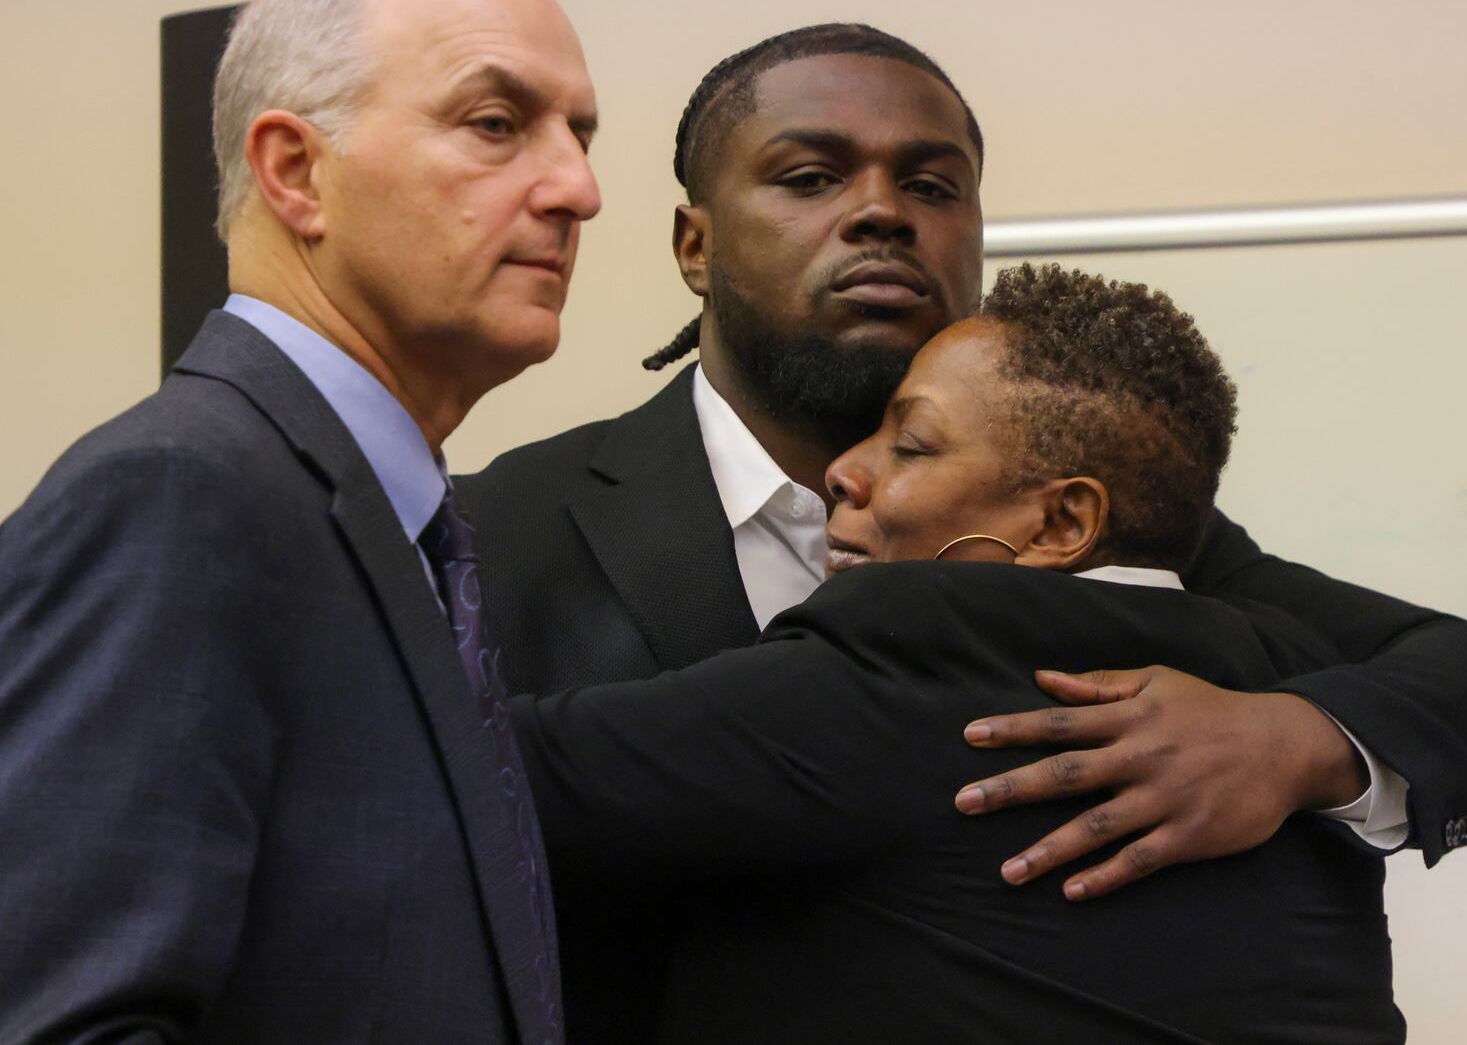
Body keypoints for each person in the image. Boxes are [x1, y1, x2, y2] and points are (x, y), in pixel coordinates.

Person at [458, 23, 1467, 1039]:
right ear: (695, 247)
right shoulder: (485, 527)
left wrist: (1292, 743)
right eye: (811, 175)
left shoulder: (1115, 542)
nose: (884, 210)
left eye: (934, 186)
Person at [513, 264, 1408, 1043]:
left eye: (911, 443)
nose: (844, 471)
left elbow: (496, 767)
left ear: (1062, 522)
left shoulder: (915, 658)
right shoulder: (1303, 670)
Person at [0, 0, 599, 1044]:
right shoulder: (177, 493)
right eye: (495, 123)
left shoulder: (400, 520)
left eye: (579, 133)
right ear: (293, 171)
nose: (578, 189)